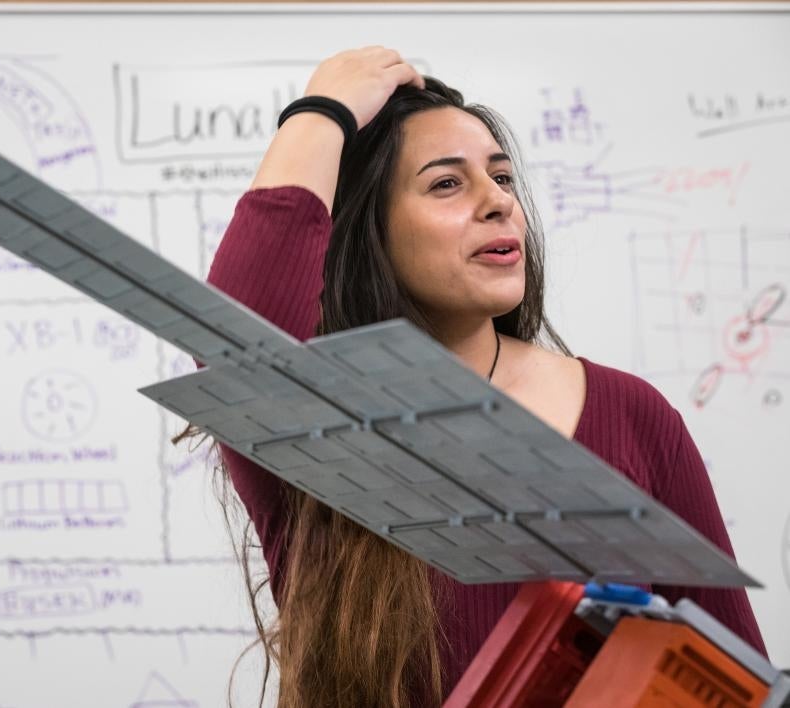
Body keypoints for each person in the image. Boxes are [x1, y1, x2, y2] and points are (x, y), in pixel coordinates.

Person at [194, 46, 765, 706]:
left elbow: (736, 675)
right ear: (368, 232)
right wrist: (320, 113)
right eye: (446, 184)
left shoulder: (634, 414)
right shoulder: (319, 428)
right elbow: (236, 338)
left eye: (501, 178)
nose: (498, 203)